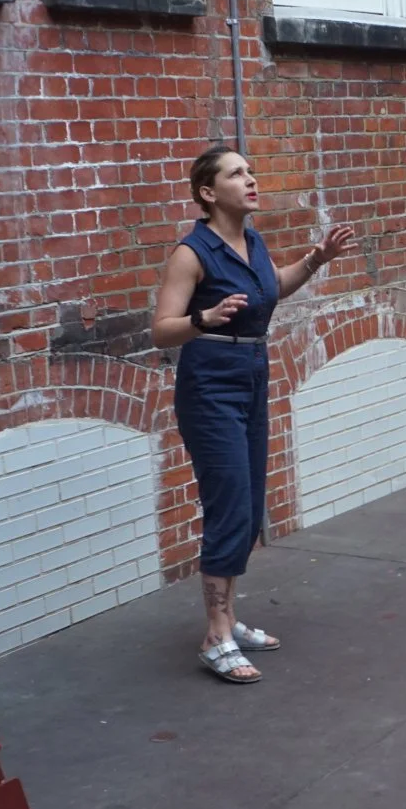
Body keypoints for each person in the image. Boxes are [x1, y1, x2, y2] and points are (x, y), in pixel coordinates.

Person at [151, 145, 357, 684]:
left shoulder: (253, 241)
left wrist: (316, 259)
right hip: (210, 381)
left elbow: (272, 289)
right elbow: (161, 328)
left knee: (251, 504)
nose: (250, 179)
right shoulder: (191, 254)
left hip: (252, 374)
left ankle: (229, 618)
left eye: (251, 170)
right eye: (236, 173)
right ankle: (215, 635)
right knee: (229, 504)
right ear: (207, 192)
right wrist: (205, 316)